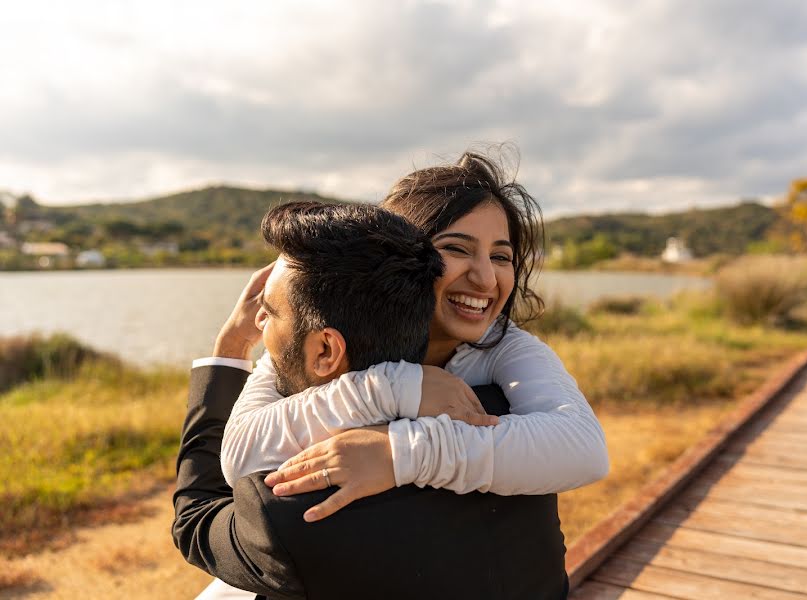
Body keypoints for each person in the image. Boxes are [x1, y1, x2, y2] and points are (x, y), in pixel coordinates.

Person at [174, 201, 569, 599]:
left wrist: (232, 344)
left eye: (270, 313)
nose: (259, 323)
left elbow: (195, 518)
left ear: (327, 350)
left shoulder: (295, 505)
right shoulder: (510, 425)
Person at [221, 151, 609, 524]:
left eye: (501, 257)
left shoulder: (502, 345)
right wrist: (395, 389)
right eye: (457, 249)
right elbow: (240, 453)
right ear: (403, 256)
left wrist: (400, 452)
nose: (486, 279)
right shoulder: (331, 331)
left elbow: (583, 449)